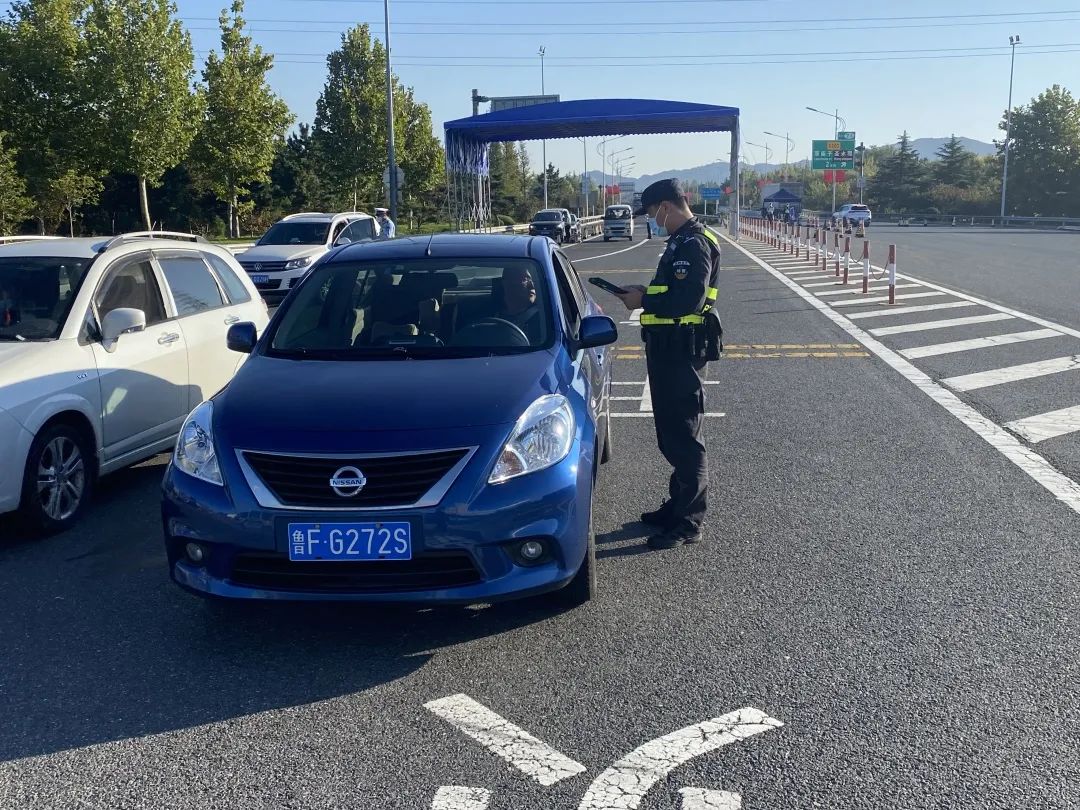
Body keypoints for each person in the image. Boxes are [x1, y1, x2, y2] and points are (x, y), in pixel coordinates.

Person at [614, 179, 722, 550]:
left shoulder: (694, 243)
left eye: (653, 212)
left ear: (666, 206)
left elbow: (687, 301)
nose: (652, 220)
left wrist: (643, 302)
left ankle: (689, 521)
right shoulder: (681, 242)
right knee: (671, 433)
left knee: (686, 436)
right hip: (667, 349)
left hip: (681, 351)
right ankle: (677, 505)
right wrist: (643, 294)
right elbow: (671, 293)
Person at [495, 265, 542, 344]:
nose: (532, 286)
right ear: (507, 284)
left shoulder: (543, 320)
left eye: (533, 280)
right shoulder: (488, 314)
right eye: (525, 279)